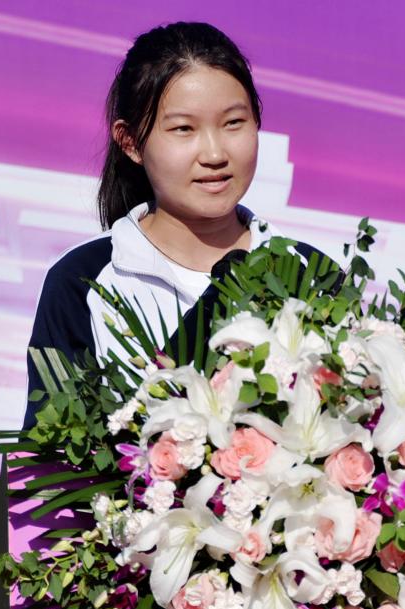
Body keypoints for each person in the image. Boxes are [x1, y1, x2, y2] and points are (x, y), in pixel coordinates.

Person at [21, 21, 316, 430]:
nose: (214, 153)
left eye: (233, 123)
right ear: (130, 142)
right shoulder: (82, 282)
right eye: (183, 129)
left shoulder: (309, 275)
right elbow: (49, 456)